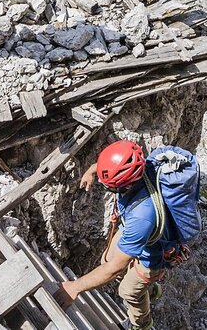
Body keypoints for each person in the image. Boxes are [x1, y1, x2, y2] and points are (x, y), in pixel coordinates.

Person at [55, 140, 170, 330]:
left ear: (126, 185)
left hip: (155, 252)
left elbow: (116, 268)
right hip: (136, 229)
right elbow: (109, 165)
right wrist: (92, 171)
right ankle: (148, 289)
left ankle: (142, 324)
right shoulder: (136, 164)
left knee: (128, 291)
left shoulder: (143, 216)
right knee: (107, 258)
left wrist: (73, 288)